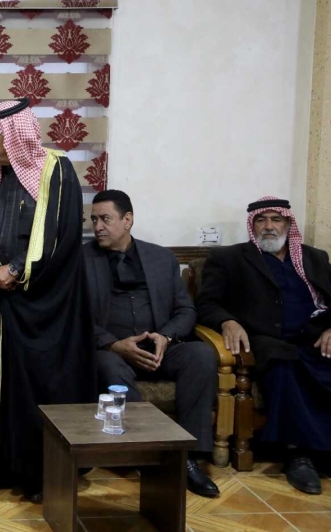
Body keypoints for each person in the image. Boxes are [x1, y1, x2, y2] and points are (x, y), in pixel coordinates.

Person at [0, 98, 95, 502]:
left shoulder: (55, 170)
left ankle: (40, 476)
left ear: (14, 134)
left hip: (39, 306)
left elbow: (61, 235)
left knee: (33, 389)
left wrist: (15, 269)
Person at [84, 190, 220, 497]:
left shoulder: (161, 258)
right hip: (113, 352)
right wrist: (113, 344)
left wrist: (166, 337)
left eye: (105, 219)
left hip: (159, 348)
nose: (98, 226)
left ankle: (189, 458)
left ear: (127, 219)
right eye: (94, 219)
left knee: (201, 355)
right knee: (105, 365)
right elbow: (73, 316)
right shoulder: (81, 260)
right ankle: (151, 452)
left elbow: (186, 310)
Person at [196, 196, 331, 495]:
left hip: (315, 338)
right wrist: (227, 321)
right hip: (265, 341)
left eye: (276, 219)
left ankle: (327, 451)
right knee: (283, 364)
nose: (268, 226)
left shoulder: (315, 258)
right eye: (261, 220)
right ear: (252, 225)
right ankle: (297, 453)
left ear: (288, 223)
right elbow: (206, 303)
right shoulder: (229, 258)